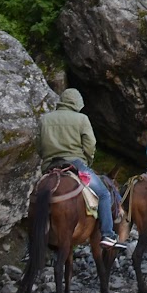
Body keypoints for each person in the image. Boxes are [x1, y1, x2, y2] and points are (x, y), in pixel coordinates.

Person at [36, 88, 118, 248]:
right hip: (75, 164)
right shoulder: (82, 119)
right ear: (77, 103)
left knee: (36, 197)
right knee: (104, 194)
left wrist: (47, 158)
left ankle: (31, 243)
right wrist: (87, 159)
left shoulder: (45, 119)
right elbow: (90, 144)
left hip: (51, 165)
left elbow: (39, 146)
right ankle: (108, 234)